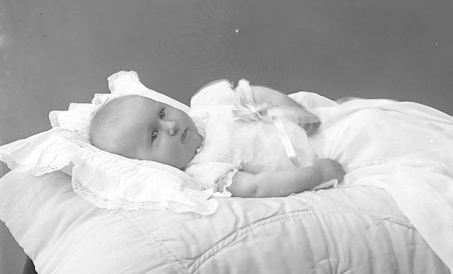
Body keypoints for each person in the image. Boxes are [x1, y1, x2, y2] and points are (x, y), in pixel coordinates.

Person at [89, 79, 345, 198]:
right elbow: (258, 186)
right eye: (154, 135)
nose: (171, 126)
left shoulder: (205, 107)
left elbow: (255, 94)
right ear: (148, 163)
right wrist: (318, 174)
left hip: (309, 125)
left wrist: (296, 112)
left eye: (162, 112)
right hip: (311, 163)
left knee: (359, 116)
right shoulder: (204, 171)